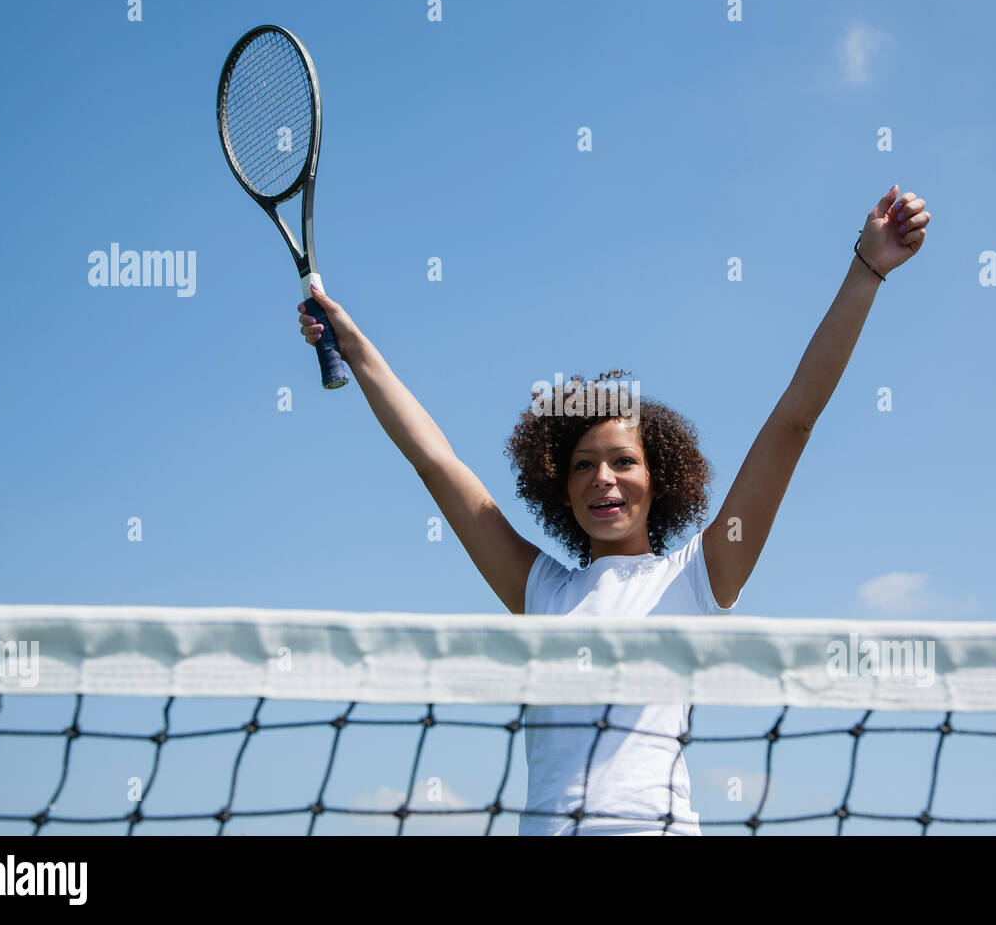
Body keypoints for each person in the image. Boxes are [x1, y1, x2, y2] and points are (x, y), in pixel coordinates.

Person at [297, 185, 930, 834]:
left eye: (624, 462)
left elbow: (794, 421)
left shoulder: (700, 576)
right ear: (561, 489)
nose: (604, 479)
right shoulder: (538, 588)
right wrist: (355, 348)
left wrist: (867, 268)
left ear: (660, 481)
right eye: (583, 466)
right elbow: (438, 465)